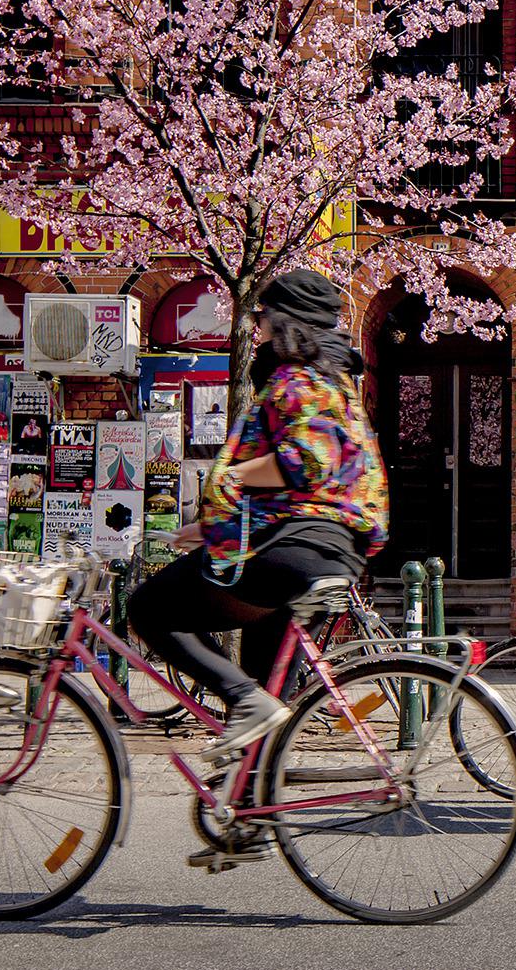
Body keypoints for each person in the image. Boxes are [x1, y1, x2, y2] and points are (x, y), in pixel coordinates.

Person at [127, 269, 388, 753]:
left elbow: (307, 463)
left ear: (287, 321)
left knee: (149, 608)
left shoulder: (300, 380)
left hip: (294, 551)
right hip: (328, 550)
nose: (258, 324)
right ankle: (252, 809)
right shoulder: (335, 382)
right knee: (266, 702)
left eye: (264, 314)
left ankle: (243, 699)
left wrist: (232, 477)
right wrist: (209, 528)